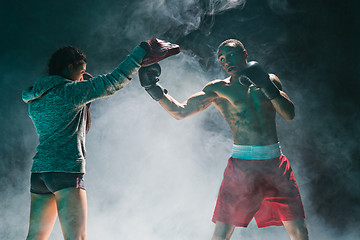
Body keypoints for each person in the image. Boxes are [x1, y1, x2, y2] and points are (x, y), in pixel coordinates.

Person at [138, 39, 309, 240]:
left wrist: (265, 85)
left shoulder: (269, 79)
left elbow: (289, 114)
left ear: (244, 53)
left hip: (275, 164)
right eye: (221, 58)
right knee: (222, 234)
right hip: (242, 167)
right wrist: (153, 88)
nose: (226, 61)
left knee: (299, 232)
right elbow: (180, 112)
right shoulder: (219, 89)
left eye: (230, 55)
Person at [22, 38, 177, 240]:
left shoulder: (35, 98)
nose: (82, 76)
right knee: (77, 238)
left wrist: (83, 93)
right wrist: (142, 51)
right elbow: (114, 81)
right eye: (81, 70)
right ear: (70, 67)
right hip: (65, 172)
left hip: (40, 173)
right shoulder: (71, 91)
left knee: (35, 237)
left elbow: (66, 121)